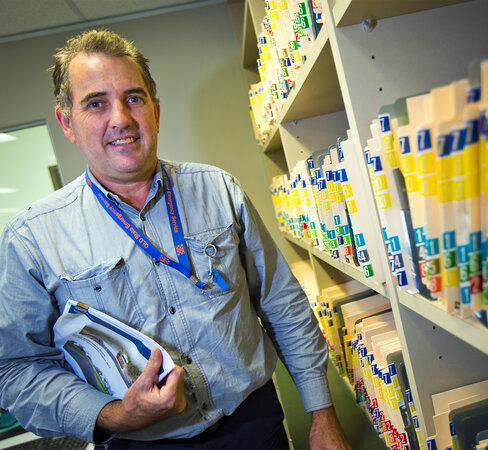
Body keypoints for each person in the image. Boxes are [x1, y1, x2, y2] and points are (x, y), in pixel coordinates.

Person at [0, 29, 351, 449]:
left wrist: (322, 414)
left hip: (255, 426)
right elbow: (17, 370)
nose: (121, 119)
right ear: (67, 123)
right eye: (96, 103)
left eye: (133, 98)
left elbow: (281, 303)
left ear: (155, 112)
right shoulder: (32, 239)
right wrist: (113, 415)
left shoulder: (218, 190)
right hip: (140, 442)